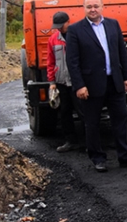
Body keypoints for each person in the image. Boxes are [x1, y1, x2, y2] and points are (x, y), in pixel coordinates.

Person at [66, 0, 127, 172]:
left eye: (96, 6)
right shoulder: (75, 30)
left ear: (102, 7)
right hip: (90, 85)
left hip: (114, 82)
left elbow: (122, 53)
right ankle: (98, 158)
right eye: (89, 7)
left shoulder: (113, 24)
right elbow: (72, 61)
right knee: (92, 123)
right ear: (84, 9)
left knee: (121, 119)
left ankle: (125, 156)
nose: (93, 9)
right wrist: (79, 85)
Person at [46, 11, 82, 153]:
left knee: (83, 112)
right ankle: (70, 141)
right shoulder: (53, 39)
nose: (59, 28)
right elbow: (50, 62)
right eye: (57, 26)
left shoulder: (77, 37)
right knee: (65, 113)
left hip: (77, 82)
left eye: (62, 25)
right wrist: (52, 82)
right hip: (61, 82)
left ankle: (90, 142)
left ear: (68, 22)